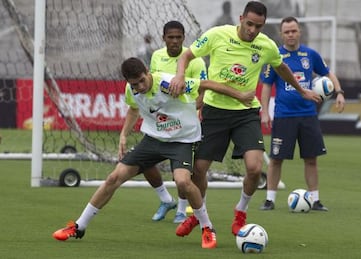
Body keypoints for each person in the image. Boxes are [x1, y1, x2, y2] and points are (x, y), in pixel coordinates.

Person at [52, 57, 254, 249]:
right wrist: (123, 134)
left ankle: (207, 227)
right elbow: (133, 109)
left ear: (147, 72)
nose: (139, 87)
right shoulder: (131, 90)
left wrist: (241, 96)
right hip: (152, 140)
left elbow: (207, 84)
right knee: (114, 177)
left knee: (183, 182)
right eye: (134, 84)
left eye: (141, 81)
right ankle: (79, 226)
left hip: (182, 141)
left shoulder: (169, 83)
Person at [169, 1, 321, 237]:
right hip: (215, 111)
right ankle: (198, 217)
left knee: (254, 168)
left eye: (258, 26)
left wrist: (302, 90)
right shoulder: (217, 35)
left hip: (246, 113)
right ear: (241, 19)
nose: (252, 30)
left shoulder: (266, 46)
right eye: (249, 24)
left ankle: (240, 212)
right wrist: (179, 76)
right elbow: (186, 56)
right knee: (198, 170)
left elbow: (281, 69)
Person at [259, 16, 345, 211]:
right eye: (287, 31)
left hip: (308, 115)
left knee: (311, 158)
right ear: (281, 34)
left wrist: (339, 92)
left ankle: (315, 200)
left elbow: (328, 74)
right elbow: (266, 86)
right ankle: (269, 199)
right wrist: (264, 112)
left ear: (299, 32)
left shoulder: (310, 54)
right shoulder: (275, 56)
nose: (290, 34)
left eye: (293, 31)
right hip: (283, 115)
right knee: (276, 158)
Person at [144, 20, 209, 224]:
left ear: (183, 38)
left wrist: (190, 111)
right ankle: (165, 199)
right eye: (170, 37)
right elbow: (152, 87)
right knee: (143, 162)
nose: (174, 41)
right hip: (161, 121)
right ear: (163, 38)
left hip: (185, 125)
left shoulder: (195, 60)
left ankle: (182, 210)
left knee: (181, 171)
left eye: (178, 37)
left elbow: (202, 92)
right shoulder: (157, 56)